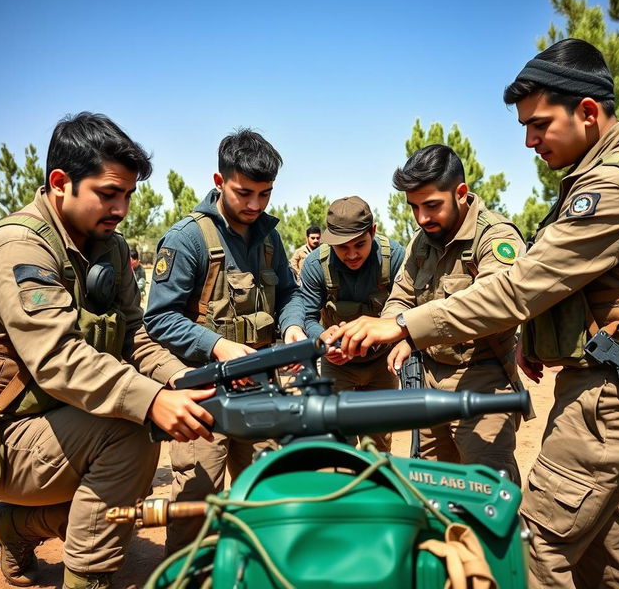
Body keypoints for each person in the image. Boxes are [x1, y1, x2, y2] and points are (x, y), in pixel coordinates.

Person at [330, 38, 619, 588]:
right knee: (598, 548)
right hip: (590, 385)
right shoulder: (590, 178)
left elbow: (518, 289)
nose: (528, 140)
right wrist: (541, 341)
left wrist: (402, 326)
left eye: (538, 124)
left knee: (529, 547)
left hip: (602, 394)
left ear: (587, 112)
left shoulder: (612, 184)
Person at [0, 113, 215, 589]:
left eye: (128, 196)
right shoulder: (19, 247)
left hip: (59, 422)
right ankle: (88, 580)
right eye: (108, 194)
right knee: (130, 433)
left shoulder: (108, 247)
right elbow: (58, 358)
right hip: (6, 434)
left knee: (128, 437)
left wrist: (181, 379)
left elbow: (136, 335)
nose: (121, 208)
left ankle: (11, 527)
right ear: (60, 183)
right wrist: (152, 401)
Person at [144, 128, 306, 554]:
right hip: (203, 397)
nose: (255, 205)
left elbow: (290, 295)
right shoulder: (187, 239)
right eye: (244, 193)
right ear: (219, 183)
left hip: (260, 391)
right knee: (197, 503)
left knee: (265, 493)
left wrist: (292, 327)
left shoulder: (269, 238)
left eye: (265, 194)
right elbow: (158, 318)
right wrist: (217, 346)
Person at [380, 144, 526, 482]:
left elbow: (493, 304)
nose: (421, 218)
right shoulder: (422, 240)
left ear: (461, 193)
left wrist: (408, 329)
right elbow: (400, 297)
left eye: (431, 206)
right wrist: (396, 330)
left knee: (487, 491)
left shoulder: (496, 237)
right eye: (414, 208)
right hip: (428, 380)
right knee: (433, 488)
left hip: (483, 381)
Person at [297, 196, 404, 451]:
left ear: (373, 231)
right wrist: (322, 338)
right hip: (337, 364)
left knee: (379, 440)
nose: (352, 254)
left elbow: (408, 309)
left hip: (382, 362)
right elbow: (307, 317)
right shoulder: (314, 265)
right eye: (343, 247)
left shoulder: (396, 257)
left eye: (360, 244)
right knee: (339, 441)